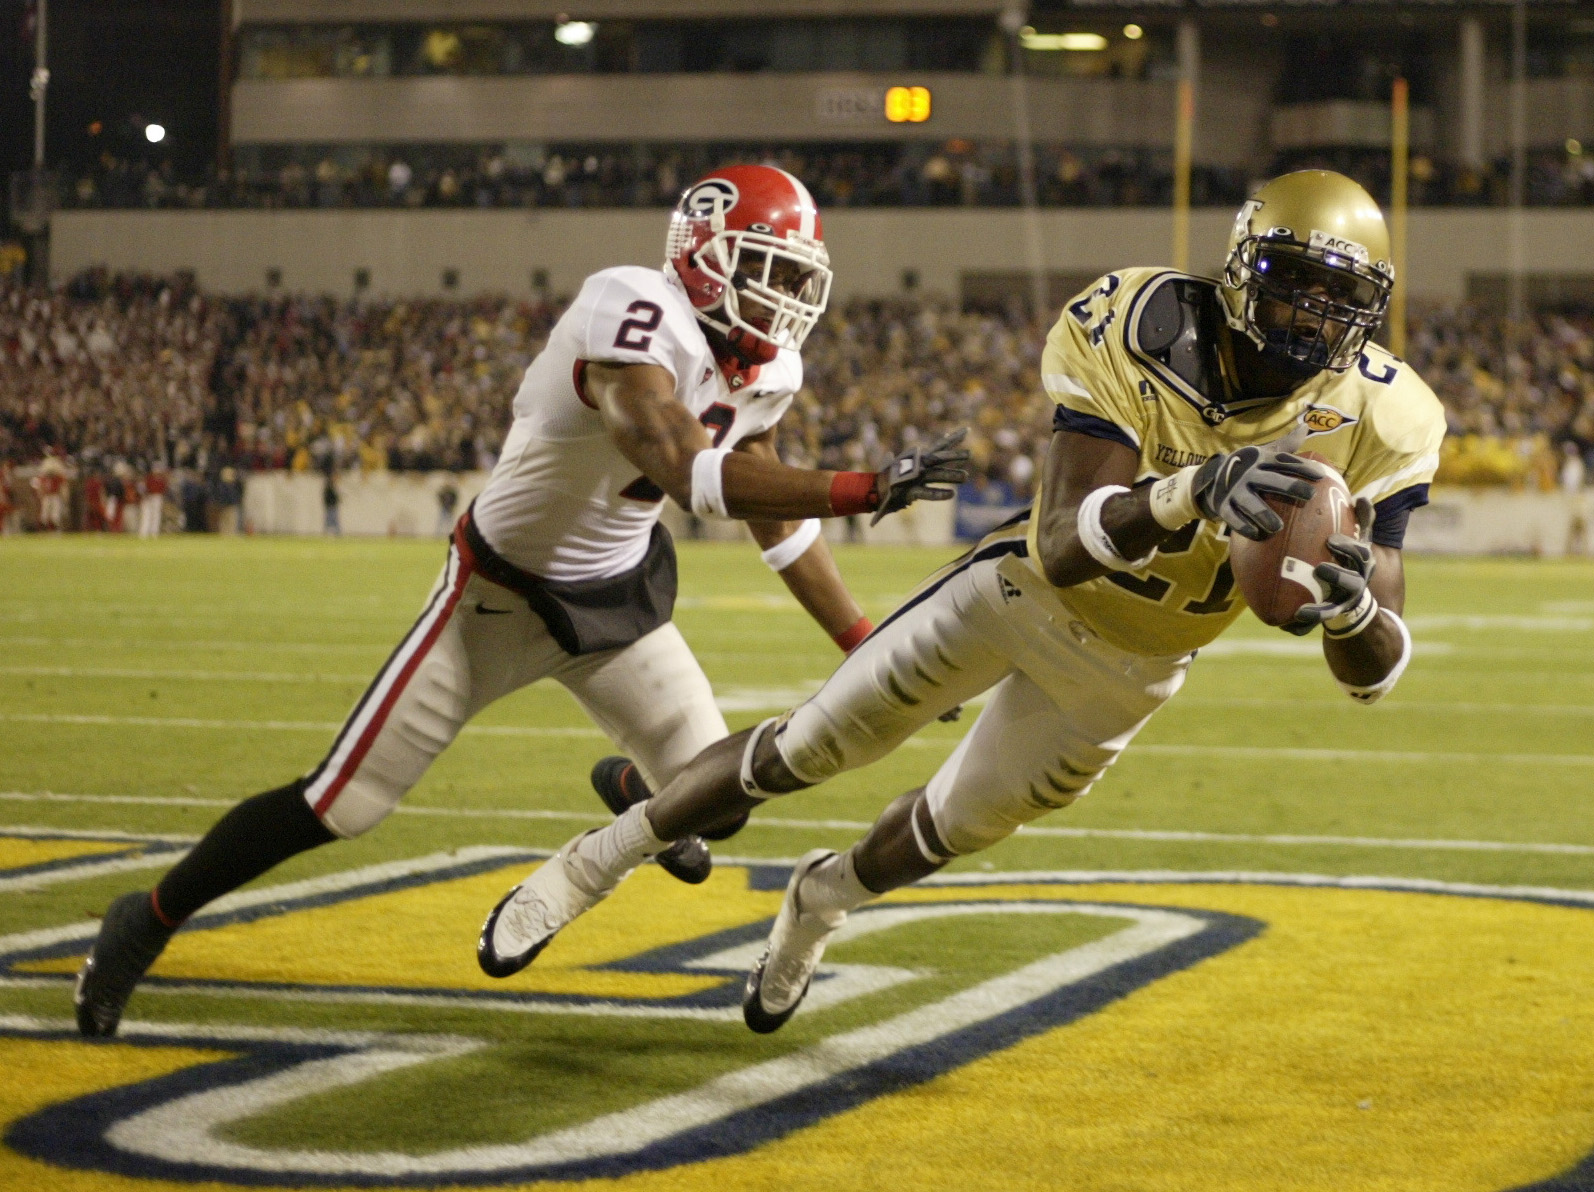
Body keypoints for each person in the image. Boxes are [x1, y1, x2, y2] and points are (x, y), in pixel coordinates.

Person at [474, 171, 1448, 1036]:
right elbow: (1064, 546)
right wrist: (1188, 491)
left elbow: (1376, 672)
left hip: (1136, 667)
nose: (1311, 316)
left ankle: (819, 898)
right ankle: (589, 864)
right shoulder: (1143, 324)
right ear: (1238, 268)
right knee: (810, 744)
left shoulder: (1388, 414)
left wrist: (1353, 611)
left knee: (954, 827)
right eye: (1291, 280)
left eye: (1340, 296)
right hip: (1016, 594)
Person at [73, 164, 968, 1038]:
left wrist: (861, 639)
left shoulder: (768, 370)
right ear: (701, 254)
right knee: (342, 805)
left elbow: (766, 497)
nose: (780, 298)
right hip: (492, 606)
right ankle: (145, 918)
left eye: (793, 278)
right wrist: (859, 489)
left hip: (617, 603)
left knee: (721, 800)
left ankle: (632, 788)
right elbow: (686, 470)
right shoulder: (630, 308)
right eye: (763, 269)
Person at [139, 464, 167, 538]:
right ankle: (144, 533)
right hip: (148, 497)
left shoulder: (162, 480)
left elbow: (163, 491)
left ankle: (154, 532)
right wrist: (145, 495)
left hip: (157, 498)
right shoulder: (148, 478)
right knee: (146, 515)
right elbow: (142, 488)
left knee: (156, 515)